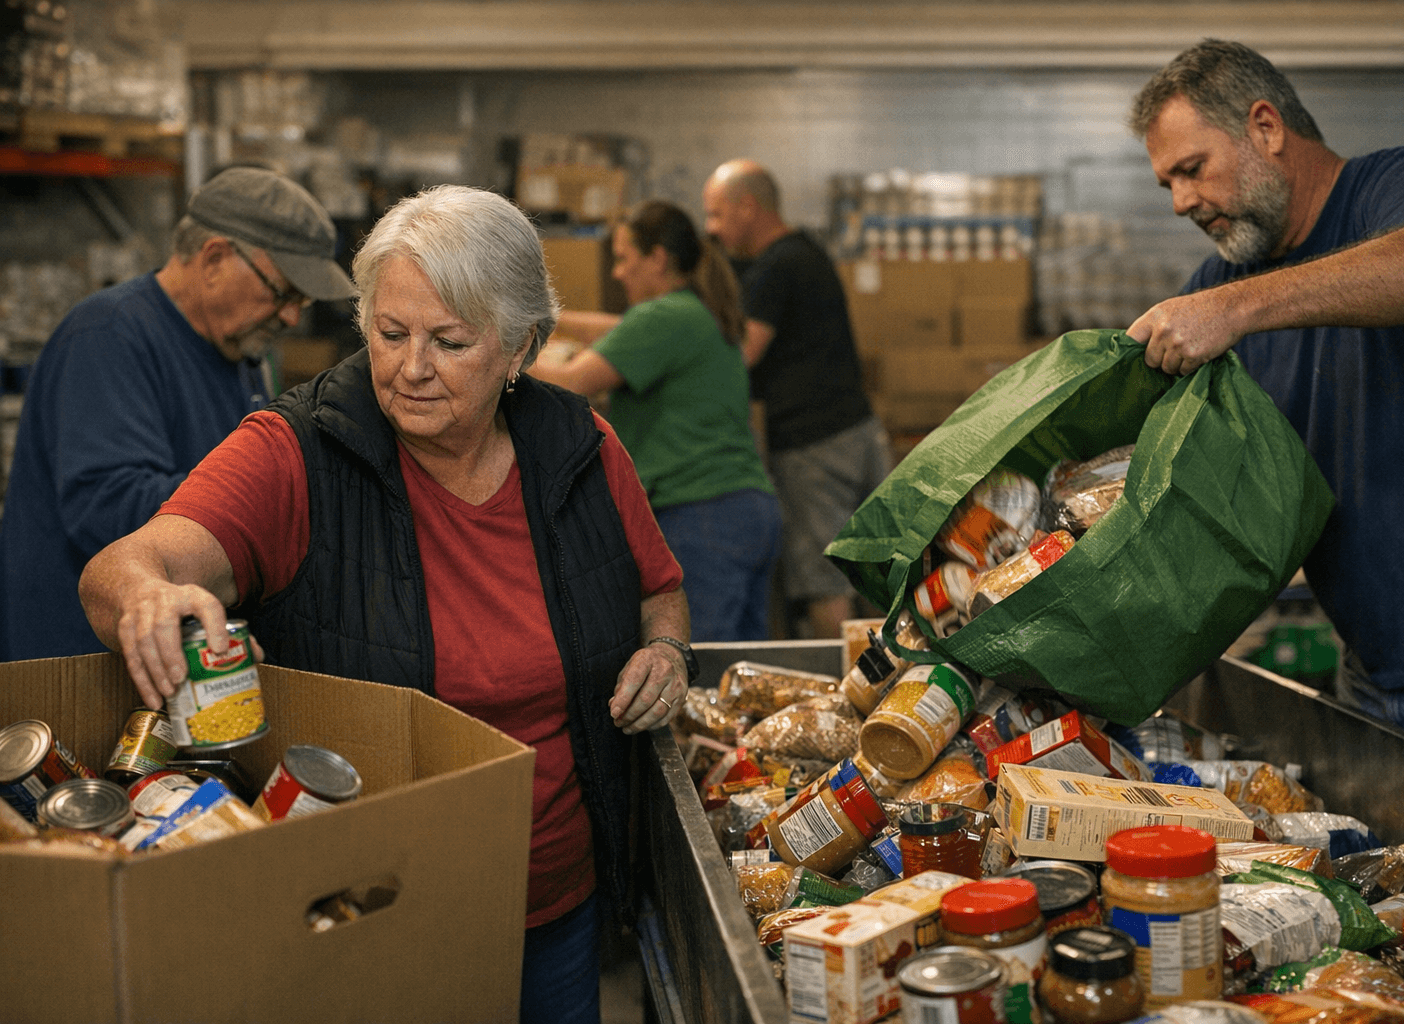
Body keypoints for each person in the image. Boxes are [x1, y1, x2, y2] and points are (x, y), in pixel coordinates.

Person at [78, 185, 692, 1024]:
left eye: (450, 341)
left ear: (522, 349)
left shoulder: (581, 449)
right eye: (389, 332)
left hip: (555, 904)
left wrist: (666, 653)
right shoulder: (296, 453)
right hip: (369, 910)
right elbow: (126, 563)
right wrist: (147, 596)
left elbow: (660, 588)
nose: (410, 368)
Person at [1125, 39, 1404, 789]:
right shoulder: (1220, 282)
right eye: (1167, 186)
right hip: (1373, 680)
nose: (1182, 201)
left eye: (1192, 170)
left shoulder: (1403, 183)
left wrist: (1236, 307)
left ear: (1266, 128)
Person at [0, 166, 355, 661]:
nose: (292, 317)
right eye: (282, 292)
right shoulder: (107, 336)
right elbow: (109, 507)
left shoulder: (239, 349)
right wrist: (272, 503)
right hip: (80, 666)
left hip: (171, 660)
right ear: (213, 258)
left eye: (303, 300)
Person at [529, 200, 781, 642]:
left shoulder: (663, 316)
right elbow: (617, 328)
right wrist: (547, 319)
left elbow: (570, 383)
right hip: (744, 510)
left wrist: (489, 349)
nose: (617, 273)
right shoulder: (695, 312)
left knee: (696, 668)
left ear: (658, 259)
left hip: (700, 512)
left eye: (624, 259)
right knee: (739, 675)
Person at [703, 159, 890, 638]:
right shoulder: (807, 251)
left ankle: (842, 700)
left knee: (823, 581)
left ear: (748, 206)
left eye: (717, 215)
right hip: (857, 429)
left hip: (814, 447)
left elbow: (741, 354)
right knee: (881, 570)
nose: (712, 229)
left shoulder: (775, 267)